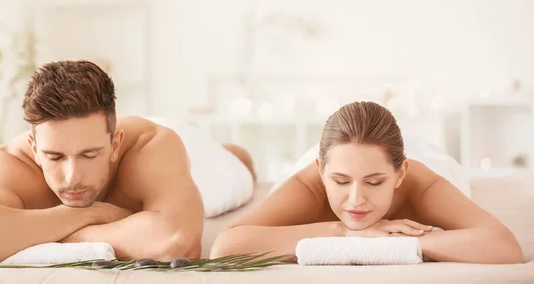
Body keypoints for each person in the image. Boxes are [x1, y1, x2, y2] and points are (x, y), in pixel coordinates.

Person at [0, 60, 255, 265]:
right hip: (121, 139)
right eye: (55, 157)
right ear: (34, 147)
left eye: (89, 155)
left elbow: (176, 243)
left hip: (185, 148)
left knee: (237, 163)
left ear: (114, 145)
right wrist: (91, 214)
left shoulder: (151, 146)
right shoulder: (10, 162)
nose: (72, 176)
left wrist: (44, 232)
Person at [211, 101, 523, 264]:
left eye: (374, 183)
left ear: (400, 174)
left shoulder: (421, 183)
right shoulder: (309, 184)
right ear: (321, 171)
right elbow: (225, 246)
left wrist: (400, 242)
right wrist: (343, 231)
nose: (356, 199)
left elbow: (503, 246)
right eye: (341, 182)